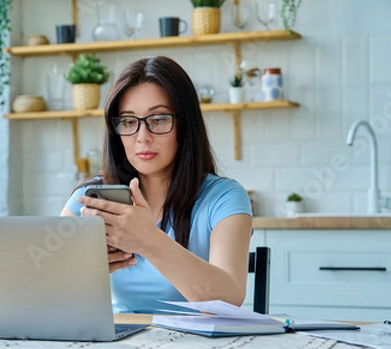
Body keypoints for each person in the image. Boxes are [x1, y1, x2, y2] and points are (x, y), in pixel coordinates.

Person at [60, 56, 252, 314]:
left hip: (197, 346)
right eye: (128, 121)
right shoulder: (89, 200)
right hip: (119, 344)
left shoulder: (224, 198)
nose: (142, 137)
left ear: (184, 126)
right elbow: (49, 293)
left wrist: (148, 240)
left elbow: (228, 302)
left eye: (159, 119)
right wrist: (80, 271)